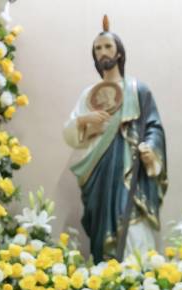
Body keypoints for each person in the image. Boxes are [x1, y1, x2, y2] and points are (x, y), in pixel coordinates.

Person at [63, 18, 166, 262]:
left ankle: (137, 282)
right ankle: (106, 282)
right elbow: (69, 132)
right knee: (102, 228)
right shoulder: (88, 95)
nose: (103, 52)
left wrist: (151, 148)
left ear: (119, 52)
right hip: (98, 173)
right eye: (97, 49)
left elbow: (154, 126)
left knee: (133, 227)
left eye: (108, 47)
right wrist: (83, 121)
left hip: (131, 172)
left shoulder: (137, 89)